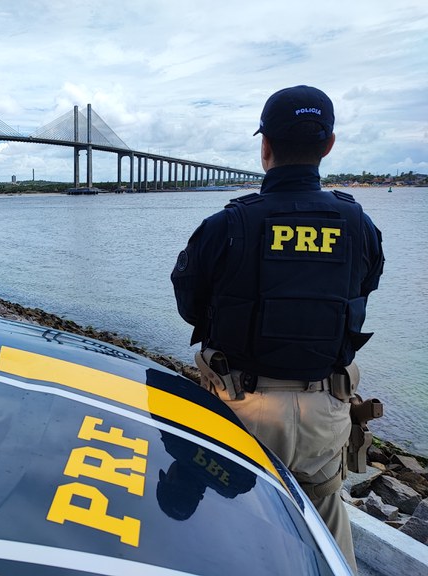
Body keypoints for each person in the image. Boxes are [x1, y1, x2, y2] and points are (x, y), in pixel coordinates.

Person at [171, 85, 384, 573]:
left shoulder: (227, 225)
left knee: (230, 521)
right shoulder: (359, 224)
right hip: (326, 408)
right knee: (325, 522)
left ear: (264, 146)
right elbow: (362, 291)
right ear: (328, 145)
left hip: (240, 407)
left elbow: (190, 307)